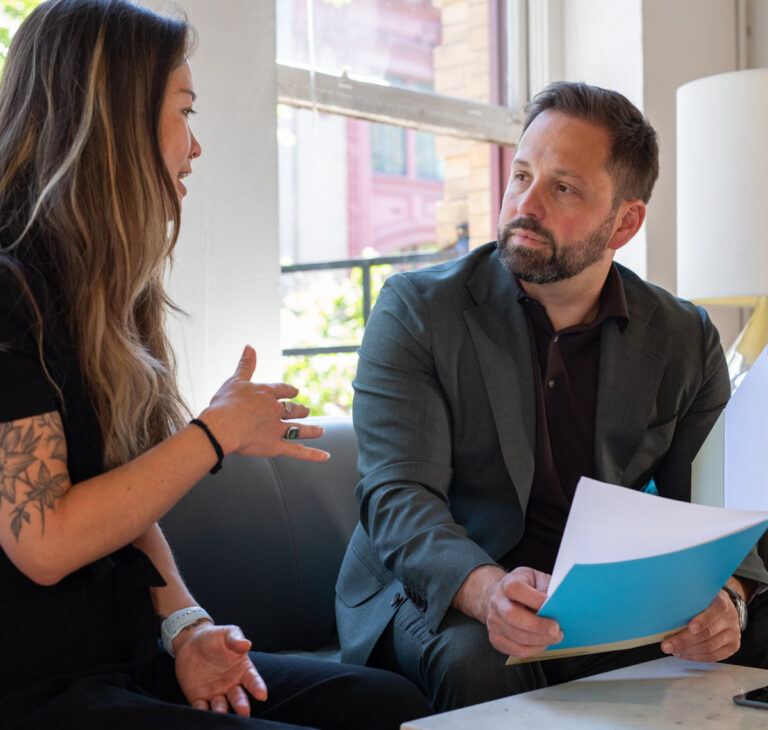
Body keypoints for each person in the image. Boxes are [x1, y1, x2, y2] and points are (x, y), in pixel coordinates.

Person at [0, 1, 433, 728]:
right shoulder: (13, 291)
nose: (193, 146)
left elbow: (122, 505)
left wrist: (189, 628)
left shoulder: (105, 295)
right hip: (34, 687)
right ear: (115, 119)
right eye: (184, 111)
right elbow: (44, 542)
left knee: (388, 705)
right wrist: (213, 434)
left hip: (128, 658)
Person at [335, 80, 768, 712]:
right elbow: (399, 497)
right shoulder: (418, 311)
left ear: (626, 220)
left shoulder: (682, 335)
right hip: (446, 590)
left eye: (562, 187)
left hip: (604, 600)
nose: (525, 203)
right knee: (483, 661)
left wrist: (727, 597)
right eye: (520, 176)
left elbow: (715, 509)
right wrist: (487, 591)